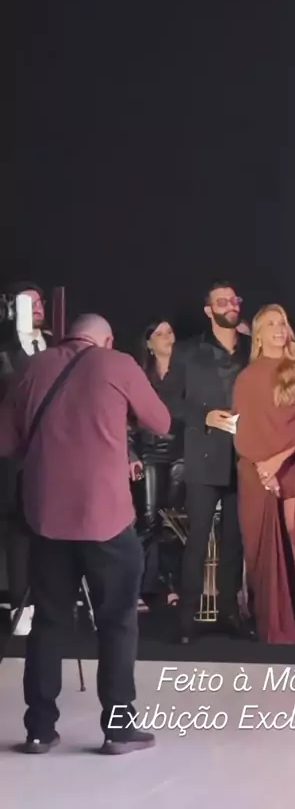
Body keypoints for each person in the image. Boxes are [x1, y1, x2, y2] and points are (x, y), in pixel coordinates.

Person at [0, 314, 171, 755]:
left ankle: (39, 730)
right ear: (106, 339)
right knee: (117, 623)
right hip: (105, 518)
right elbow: (161, 421)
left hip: (46, 519)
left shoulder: (33, 367)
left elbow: (6, 442)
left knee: (48, 623)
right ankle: (117, 729)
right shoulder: (117, 364)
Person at [232, 304, 295, 643]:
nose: (279, 329)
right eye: (271, 324)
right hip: (256, 469)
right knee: (263, 547)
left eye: (282, 322)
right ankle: (273, 620)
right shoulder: (247, 377)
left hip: (292, 464)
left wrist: (278, 460)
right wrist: (262, 466)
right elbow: (244, 428)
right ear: (258, 335)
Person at [173, 280, 254, 643]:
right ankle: (185, 619)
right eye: (222, 301)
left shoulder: (252, 349)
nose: (231, 305)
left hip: (244, 455)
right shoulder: (188, 351)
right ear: (209, 310)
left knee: (235, 541)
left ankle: (230, 613)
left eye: (234, 299)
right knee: (197, 540)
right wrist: (202, 416)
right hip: (203, 456)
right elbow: (168, 401)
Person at [0, 282, 53, 636]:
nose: (36, 307)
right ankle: (21, 605)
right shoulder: (4, 353)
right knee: (19, 530)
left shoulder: (57, 348)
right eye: (27, 302)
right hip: (16, 456)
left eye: (39, 302)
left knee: (50, 529)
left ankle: (50, 603)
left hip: (53, 454)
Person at [129, 318, 186, 605]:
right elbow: (127, 420)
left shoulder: (186, 372)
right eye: (159, 333)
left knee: (172, 523)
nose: (166, 337)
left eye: (170, 331)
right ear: (149, 343)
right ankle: (136, 589)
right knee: (148, 520)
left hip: (181, 452)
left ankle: (170, 585)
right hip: (149, 453)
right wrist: (131, 454)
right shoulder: (140, 376)